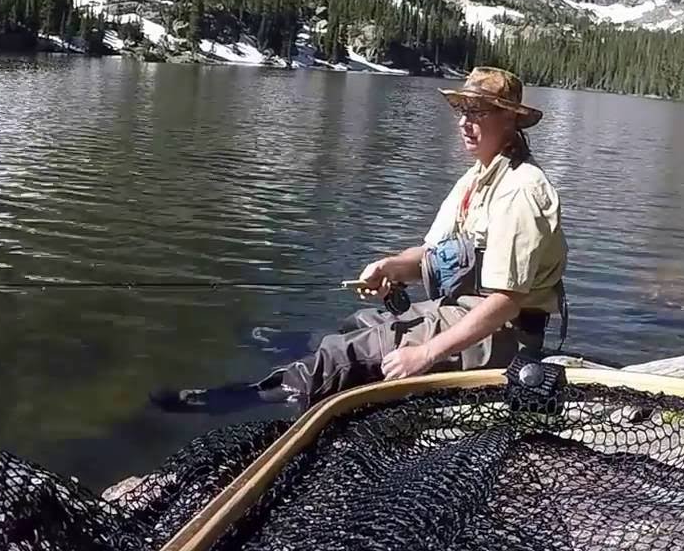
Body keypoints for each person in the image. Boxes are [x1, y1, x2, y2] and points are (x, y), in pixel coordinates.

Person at [151, 66, 568, 414]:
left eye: (478, 111)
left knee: (349, 354)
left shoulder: (520, 189)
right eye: (461, 108)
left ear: (510, 119)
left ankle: (239, 401)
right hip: (462, 313)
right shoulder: (476, 177)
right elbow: (434, 253)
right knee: (358, 324)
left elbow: (505, 301)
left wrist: (426, 354)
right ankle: (292, 386)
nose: (464, 121)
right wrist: (391, 268)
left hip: (503, 336)